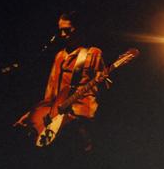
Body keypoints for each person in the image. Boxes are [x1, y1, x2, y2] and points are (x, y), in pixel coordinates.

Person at [14, 11, 109, 152]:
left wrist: (101, 81)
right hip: (56, 120)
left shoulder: (93, 53)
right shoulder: (59, 56)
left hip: (80, 124)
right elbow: (50, 93)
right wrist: (31, 115)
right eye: (61, 31)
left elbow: (102, 89)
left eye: (67, 30)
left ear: (79, 28)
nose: (63, 35)